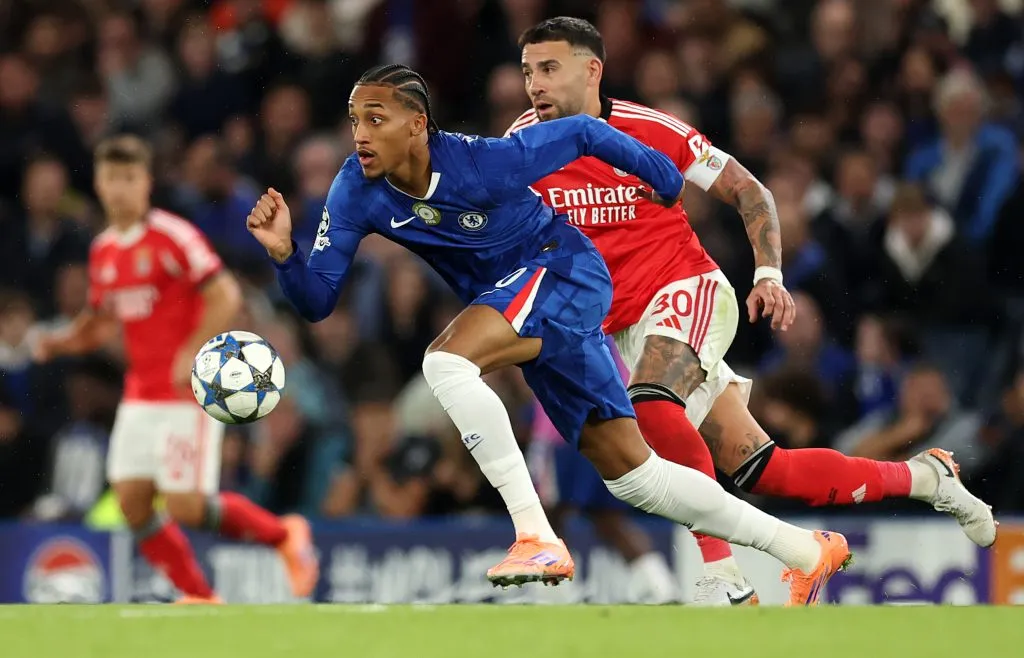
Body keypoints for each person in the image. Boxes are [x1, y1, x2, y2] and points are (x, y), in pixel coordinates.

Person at [248, 63, 852, 606]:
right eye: (354, 119)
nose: (359, 134)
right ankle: (804, 549)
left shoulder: (481, 162)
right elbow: (317, 301)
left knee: (445, 362)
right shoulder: (355, 188)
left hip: (564, 271)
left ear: (418, 125)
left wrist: (665, 177)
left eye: (375, 119)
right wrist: (284, 255)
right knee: (635, 477)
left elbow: (583, 132)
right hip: (524, 305)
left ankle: (535, 536)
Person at [507, 16, 997, 605]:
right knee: (763, 468)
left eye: (549, 68)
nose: (534, 84)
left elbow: (749, 190)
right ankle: (926, 478)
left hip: (687, 287)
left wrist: (769, 274)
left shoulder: (650, 130)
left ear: (592, 71)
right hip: (628, 326)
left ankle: (723, 575)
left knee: (652, 405)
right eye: (528, 71)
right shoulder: (522, 143)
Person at [33, 135, 319, 604]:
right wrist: (60, 342)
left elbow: (225, 294)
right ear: (99, 185)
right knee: (132, 503)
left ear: (146, 182)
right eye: (111, 178)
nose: (120, 188)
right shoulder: (104, 249)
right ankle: (200, 597)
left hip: (187, 393)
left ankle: (284, 535)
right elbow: (100, 323)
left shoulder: (173, 236)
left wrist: (190, 350)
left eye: (129, 177)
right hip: (140, 394)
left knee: (186, 506)